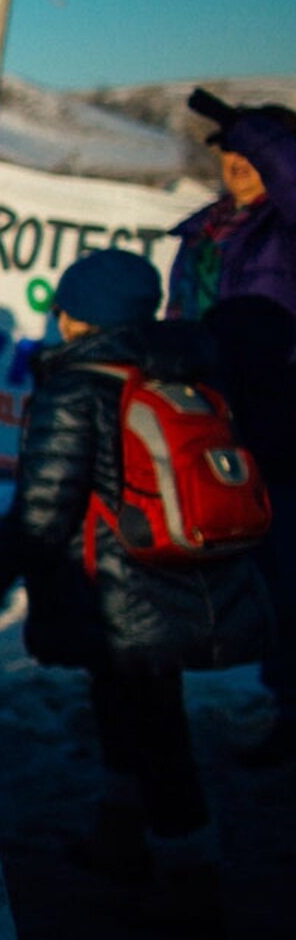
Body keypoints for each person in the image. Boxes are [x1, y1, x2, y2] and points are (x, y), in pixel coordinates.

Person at [0, 249, 270, 937]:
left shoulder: (77, 385)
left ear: (76, 317)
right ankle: (121, 834)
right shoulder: (180, 365)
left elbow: (44, 509)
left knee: (154, 728)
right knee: (130, 707)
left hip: (113, 586)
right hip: (171, 572)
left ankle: (191, 876)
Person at [173, 90, 296, 764]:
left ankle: (291, 709)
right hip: (218, 432)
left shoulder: (286, 225)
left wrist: (252, 126)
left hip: (285, 426)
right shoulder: (203, 232)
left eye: (255, 151)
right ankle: (284, 700)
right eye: (230, 152)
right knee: (264, 579)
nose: (239, 162)